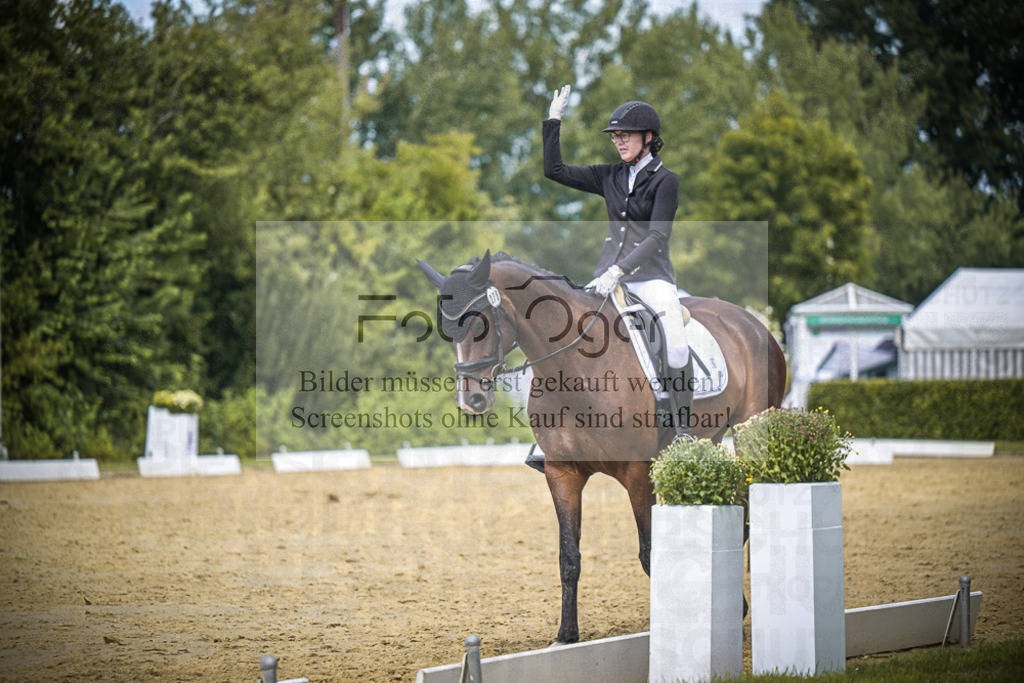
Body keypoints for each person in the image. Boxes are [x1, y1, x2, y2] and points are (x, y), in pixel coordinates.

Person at [542, 84, 692, 440]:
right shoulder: (609, 175)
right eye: (615, 136)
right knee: (569, 334)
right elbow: (555, 170)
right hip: (606, 280)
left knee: (676, 346)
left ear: (648, 137)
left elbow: (658, 237)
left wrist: (619, 269)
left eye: (625, 135)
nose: (619, 142)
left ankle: (682, 429)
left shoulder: (665, 181)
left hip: (651, 278)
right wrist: (553, 122)